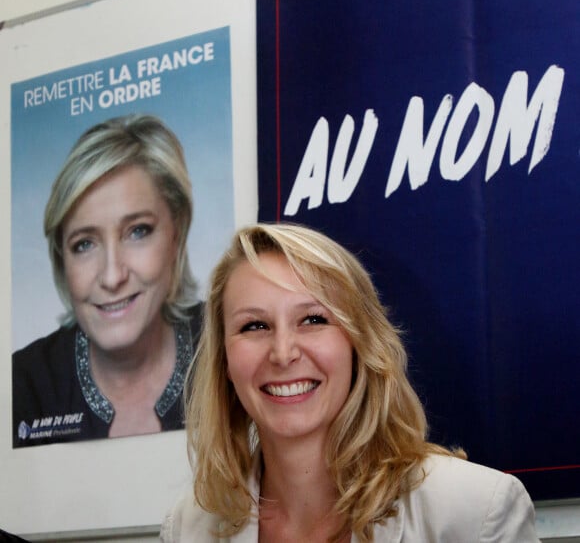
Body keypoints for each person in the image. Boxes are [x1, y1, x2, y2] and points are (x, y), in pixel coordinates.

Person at [161, 223, 539, 542]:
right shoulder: (188, 529)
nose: (283, 352)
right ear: (224, 361)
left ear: (359, 344)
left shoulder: (477, 511)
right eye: (254, 326)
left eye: (313, 319)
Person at [12, 114, 203, 448]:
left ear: (177, 234)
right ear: (61, 259)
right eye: (84, 244)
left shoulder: (229, 343)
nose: (113, 276)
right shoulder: (23, 384)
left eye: (138, 231)